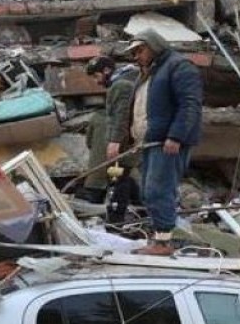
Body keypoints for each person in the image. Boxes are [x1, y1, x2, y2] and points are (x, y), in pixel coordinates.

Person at [123, 29, 203, 256]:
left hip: (167, 141)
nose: (136, 56)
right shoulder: (151, 72)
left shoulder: (179, 66)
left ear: (154, 45)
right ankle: (160, 238)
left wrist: (176, 136)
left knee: (159, 190)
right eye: (134, 52)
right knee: (149, 192)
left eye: (140, 50)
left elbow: (190, 104)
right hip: (151, 142)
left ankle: (164, 243)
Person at [81, 55, 140, 202]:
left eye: (96, 76)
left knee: (120, 177)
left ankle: (119, 213)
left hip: (125, 141)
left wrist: (115, 142)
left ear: (107, 70)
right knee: (122, 176)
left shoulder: (121, 85)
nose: (97, 81)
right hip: (129, 140)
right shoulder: (126, 81)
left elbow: (122, 115)